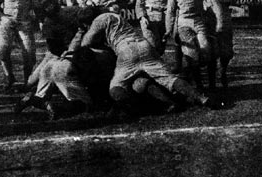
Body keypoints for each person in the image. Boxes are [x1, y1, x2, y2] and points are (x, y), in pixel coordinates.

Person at [78, 7, 211, 117]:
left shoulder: (99, 20)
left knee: (116, 86)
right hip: (143, 45)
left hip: (126, 50)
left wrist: (85, 32)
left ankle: (132, 110)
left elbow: (85, 43)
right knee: (168, 79)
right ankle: (201, 97)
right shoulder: (115, 16)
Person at [15, 0, 116, 120]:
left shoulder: (69, 18)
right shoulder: (78, 21)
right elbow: (71, 47)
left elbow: (57, 48)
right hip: (74, 56)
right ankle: (78, 102)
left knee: (47, 70)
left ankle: (38, 97)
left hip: (63, 57)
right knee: (87, 100)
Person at [164, 0, 223, 91]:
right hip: (183, 24)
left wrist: (219, 22)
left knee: (206, 49)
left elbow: (214, 4)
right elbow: (170, 12)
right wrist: (168, 29)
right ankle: (199, 86)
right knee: (191, 56)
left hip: (198, 21)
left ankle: (212, 85)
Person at [197, 0, 240, 89]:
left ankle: (223, 71)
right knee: (210, 51)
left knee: (226, 52)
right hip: (208, 19)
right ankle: (212, 82)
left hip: (224, 17)